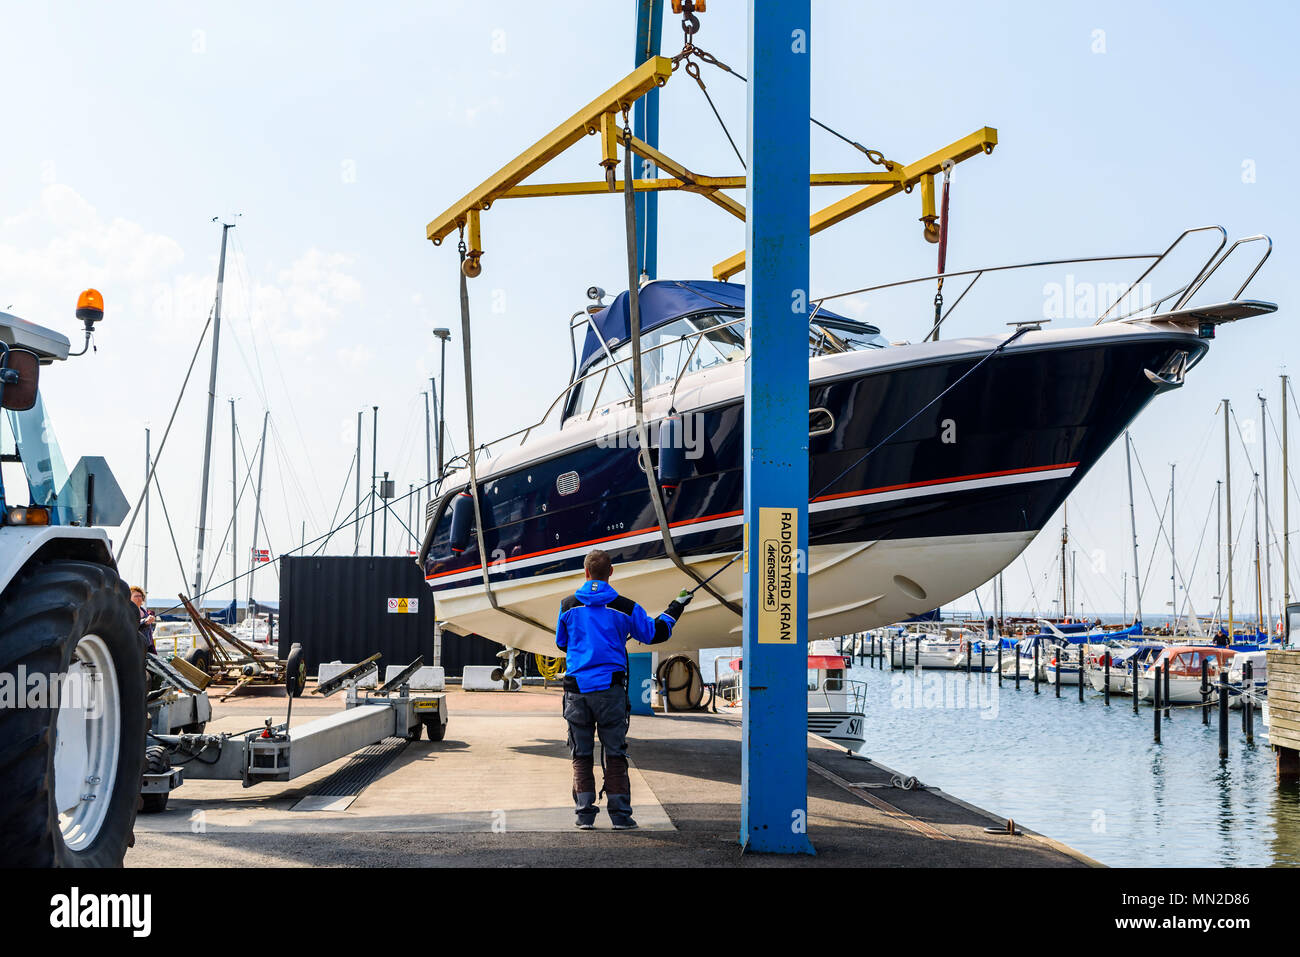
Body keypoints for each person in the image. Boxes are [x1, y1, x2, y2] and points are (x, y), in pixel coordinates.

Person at [555, 548, 690, 830]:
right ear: (611, 573)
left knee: (581, 752)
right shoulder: (625, 607)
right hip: (611, 691)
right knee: (614, 751)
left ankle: (584, 816)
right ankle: (620, 817)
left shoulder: (567, 606)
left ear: (586, 572)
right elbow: (655, 632)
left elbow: (562, 643)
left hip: (576, 691)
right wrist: (676, 605)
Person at [129, 586, 156, 654]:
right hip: (134, 648)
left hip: (148, 646)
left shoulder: (144, 611)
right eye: (136, 596)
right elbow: (131, 626)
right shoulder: (127, 611)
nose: (139, 598)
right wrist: (145, 622)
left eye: (140, 596)